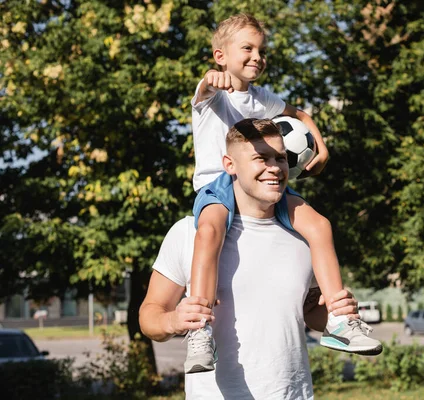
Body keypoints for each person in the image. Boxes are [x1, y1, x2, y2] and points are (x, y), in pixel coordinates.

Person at [186, 14, 382, 372]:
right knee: (210, 230)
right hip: (220, 186)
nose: (256, 56)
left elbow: (301, 114)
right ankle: (200, 330)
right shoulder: (211, 94)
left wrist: (320, 146)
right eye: (247, 48)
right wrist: (212, 80)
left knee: (319, 224)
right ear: (220, 56)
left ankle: (338, 321)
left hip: (266, 184)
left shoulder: (262, 99)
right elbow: (206, 88)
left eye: (261, 50)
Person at [139, 119, 368, 399]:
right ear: (230, 165)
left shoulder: (303, 237)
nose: (274, 168)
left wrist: (336, 310)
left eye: (280, 159)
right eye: (261, 158)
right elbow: (149, 315)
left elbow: (309, 311)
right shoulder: (189, 232)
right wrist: (174, 321)